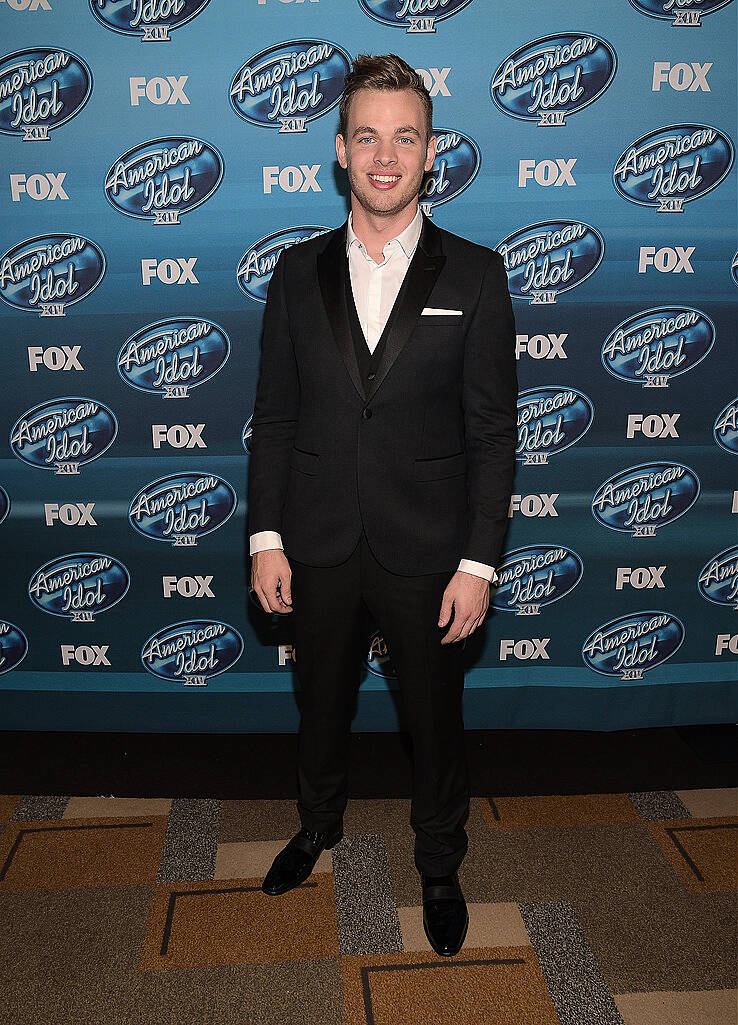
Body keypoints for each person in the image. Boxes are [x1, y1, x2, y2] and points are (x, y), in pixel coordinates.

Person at [247, 53, 517, 957]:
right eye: (368, 136)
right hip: (316, 543)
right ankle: (317, 825)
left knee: (434, 724)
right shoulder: (294, 274)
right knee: (319, 705)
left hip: (431, 551)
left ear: (431, 153)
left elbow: (492, 435)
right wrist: (265, 536)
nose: (386, 155)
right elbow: (275, 418)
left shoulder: (477, 277)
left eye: (406, 136)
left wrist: (480, 563)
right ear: (340, 151)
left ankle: (440, 865)